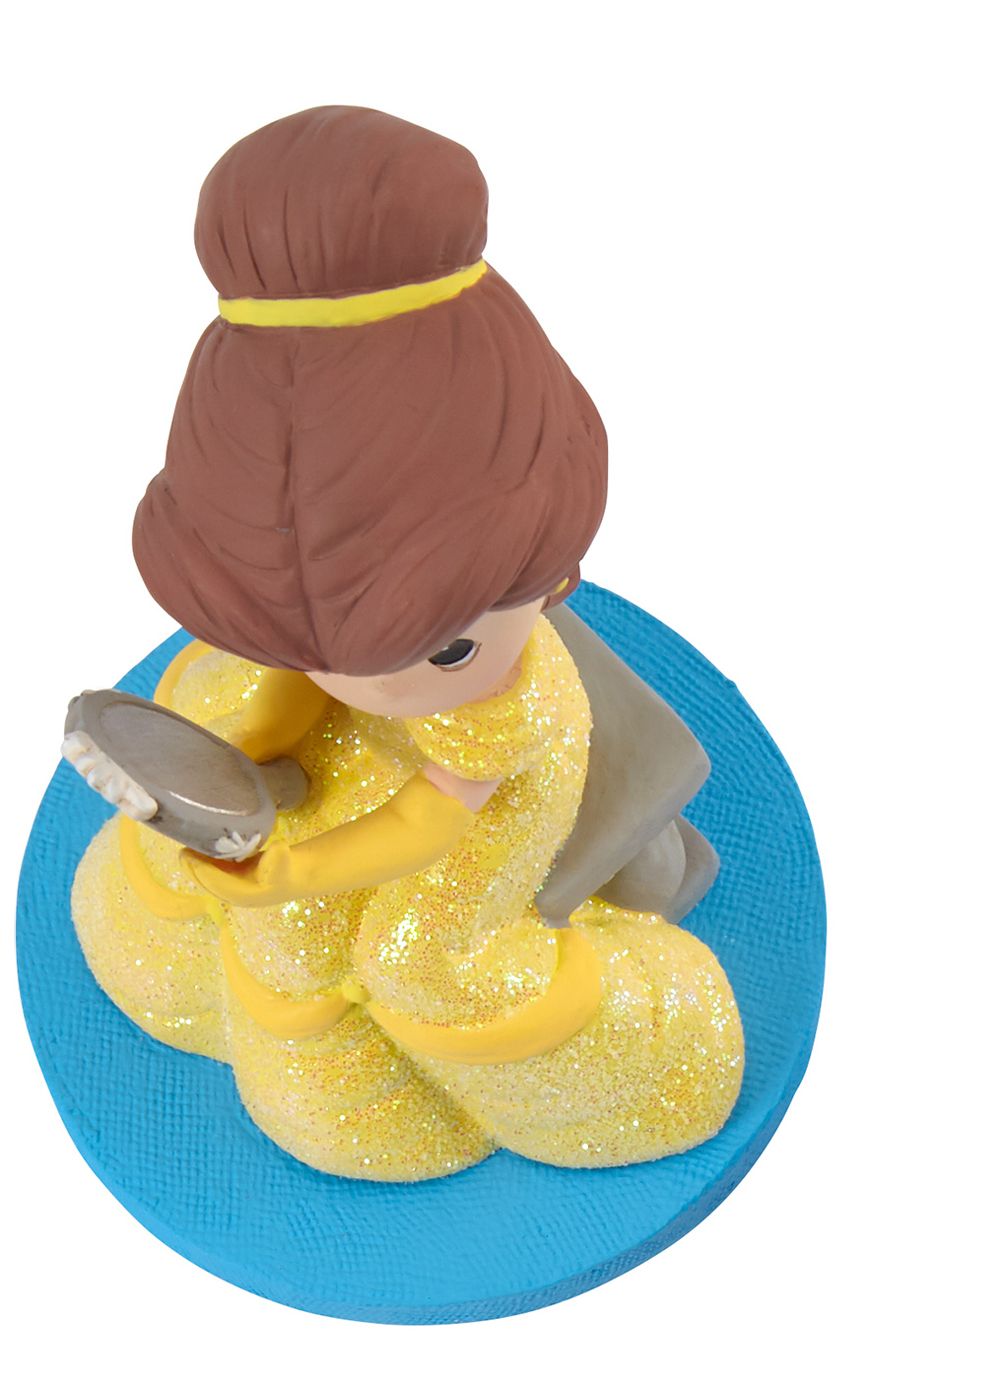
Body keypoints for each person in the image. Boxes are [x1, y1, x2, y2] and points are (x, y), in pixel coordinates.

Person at [70, 106, 742, 1181]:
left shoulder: (500, 708)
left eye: (440, 647)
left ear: (551, 563)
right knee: (243, 874)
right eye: (321, 645)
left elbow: (427, 827)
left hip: (491, 811)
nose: (376, 688)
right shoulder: (326, 622)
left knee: (414, 958)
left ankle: (566, 1059)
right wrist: (270, 717)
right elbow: (300, 679)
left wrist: (296, 866)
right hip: (385, 753)